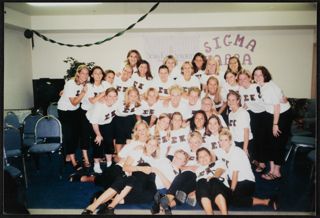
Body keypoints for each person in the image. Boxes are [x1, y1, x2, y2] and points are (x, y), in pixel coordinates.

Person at [81, 136, 158, 215]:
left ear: (156, 147)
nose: (151, 147)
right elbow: (125, 167)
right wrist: (141, 168)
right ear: (145, 144)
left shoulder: (153, 160)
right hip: (126, 176)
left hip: (136, 183)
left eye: (154, 145)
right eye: (150, 144)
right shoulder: (138, 151)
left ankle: (105, 201)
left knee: (147, 193)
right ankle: (97, 207)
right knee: (130, 179)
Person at [218, 128, 278, 210]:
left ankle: (266, 201)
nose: (223, 143)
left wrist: (231, 191)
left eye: (225, 140)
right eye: (221, 140)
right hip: (233, 181)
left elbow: (235, 173)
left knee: (234, 200)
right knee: (222, 193)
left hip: (247, 182)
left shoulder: (236, 152)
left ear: (230, 141)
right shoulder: (222, 152)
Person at [252, 66, 292, 181]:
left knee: (278, 142)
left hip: (281, 114)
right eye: (255, 75)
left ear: (265, 75)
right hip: (271, 114)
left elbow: (277, 106)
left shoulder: (269, 87)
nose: (258, 77)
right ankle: (271, 169)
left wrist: (275, 125)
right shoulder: (261, 86)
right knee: (270, 142)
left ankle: (277, 171)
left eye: (260, 75)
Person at [57, 64, 89, 170]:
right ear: (78, 74)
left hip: (75, 111)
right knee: (70, 134)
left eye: (87, 73)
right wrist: (83, 92)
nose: (85, 75)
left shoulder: (84, 83)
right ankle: (74, 161)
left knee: (76, 134)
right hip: (65, 111)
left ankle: (68, 156)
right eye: (83, 73)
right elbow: (74, 102)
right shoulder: (71, 83)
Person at [238, 69, 268, 172]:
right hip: (252, 115)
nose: (242, 81)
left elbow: (267, 100)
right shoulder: (241, 89)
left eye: (244, 78)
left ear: (249, 78)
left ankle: (263, 163)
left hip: (263, 114)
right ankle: (257, 161)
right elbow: (244, 104)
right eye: (240, 79)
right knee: (254, 139)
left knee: (262, 139)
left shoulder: (257, 87)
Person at [85, 87, 119, 173]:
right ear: (106, 96)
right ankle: (96, 164)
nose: (112, 98)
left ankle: (109, 163)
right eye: (110, 96)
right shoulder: (99, 106)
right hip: (94, 123)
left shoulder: (116, 102)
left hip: (107, 122)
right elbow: (94, 123)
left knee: (109, 142)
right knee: (98, 143)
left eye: (114, 96)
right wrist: (98, 135)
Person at [79, 66, 106, 169]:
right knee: (85, 136)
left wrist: (101, 97)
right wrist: (103, 94)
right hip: (86, 113)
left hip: (98, 113)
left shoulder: (105, 85)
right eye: (96, 73)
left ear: (102, 75)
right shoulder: (89, 86)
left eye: (100, 73)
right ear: (92, 75)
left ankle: (97, 158)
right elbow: (92, 101)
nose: (98, 75)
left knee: (97, 136)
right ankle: (85, 158)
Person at [150, 149, 190, 214]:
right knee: (177, 194)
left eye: (179, 158)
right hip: (154, 186)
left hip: (163, 191)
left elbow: (170, 187)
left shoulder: (178, 174)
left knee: (181, 195)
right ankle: (162, 206)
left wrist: (158, 171)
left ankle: (160, 206)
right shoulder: (165, 160)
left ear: (183, 162)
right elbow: (152, 165)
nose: (176, 159)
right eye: (176, 156)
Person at [195, 147, 229, 215]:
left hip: (224, 195)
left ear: (210, 156)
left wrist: (213, 177)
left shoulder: (218, 162)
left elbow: (220, 170)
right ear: (198, 160)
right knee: (201, 181)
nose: (203, 158)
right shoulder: (197, 170)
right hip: (208, 200)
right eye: (200, 157)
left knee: (213, 180)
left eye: (205, 155)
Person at [114, 87, 142, 160]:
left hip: (130, 118)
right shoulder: (120, 102)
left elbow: (138, 116)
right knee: (120, 137)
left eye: (135, 96)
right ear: (127, 95)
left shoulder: (138, 103)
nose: (133, 98)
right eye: (131, 96)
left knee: (129, 137)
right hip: (119, 118)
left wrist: (141, 125)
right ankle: (118, 155)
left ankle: (126, 155)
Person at [227, 90, 253, 158]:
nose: (231, 102)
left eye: (233, 100)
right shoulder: (230, 114)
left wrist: (245, 148)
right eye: (229, 100)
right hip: (236, 142)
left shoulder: (243, 113)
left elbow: (246, 131)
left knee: (246, 164)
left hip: (244, 142)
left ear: (238, 101)